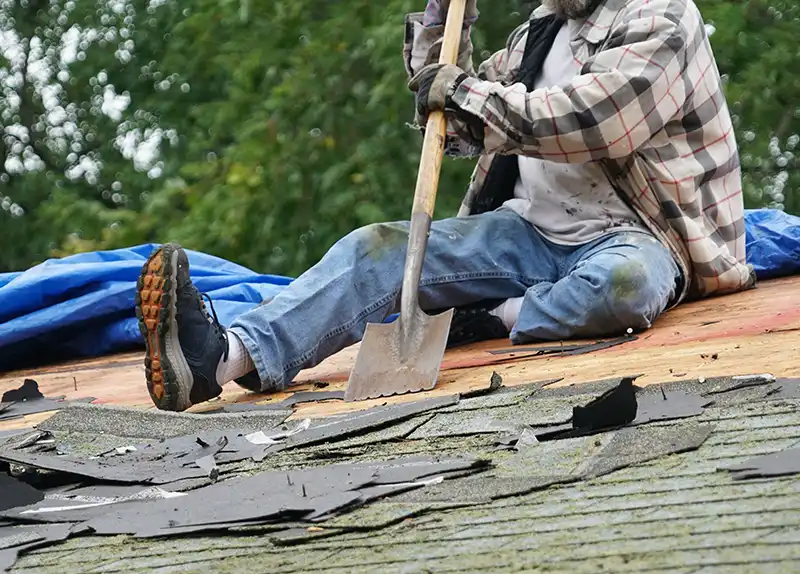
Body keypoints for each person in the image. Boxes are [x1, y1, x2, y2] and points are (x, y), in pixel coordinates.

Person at [136, 0, 753, 413]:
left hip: (638, 235)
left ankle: (489, 316)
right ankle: (217, 359)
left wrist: (464, 93)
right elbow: (452, 120)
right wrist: (438, 30)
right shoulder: (542, 31)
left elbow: (596, 122)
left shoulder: (663, 17)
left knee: (624, 285)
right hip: (530, 234)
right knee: (374, 252)